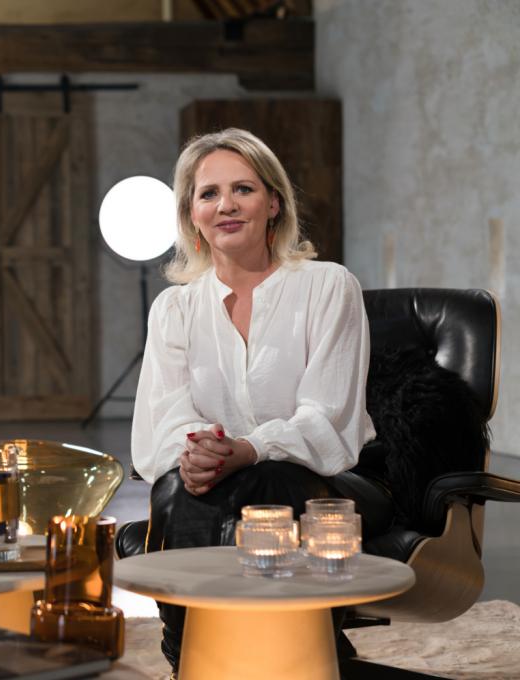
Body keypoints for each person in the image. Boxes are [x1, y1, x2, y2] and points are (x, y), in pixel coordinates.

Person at [130, 128, 392, 672]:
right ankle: (192, 658)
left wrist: (248, 450)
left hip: (330, 486)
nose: (225, 205)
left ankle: (246, 655)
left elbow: (327, 418)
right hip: (215, 483)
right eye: (208, 193)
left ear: (273, 203)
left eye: (243, 189)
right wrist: (200, 453)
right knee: (178, 486)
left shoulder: (328, 286)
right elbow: (165, 419)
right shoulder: (174, 310)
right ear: (192, 215)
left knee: (269, 481)